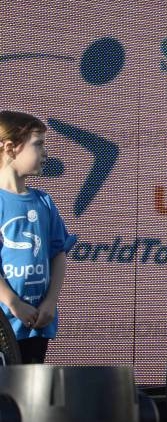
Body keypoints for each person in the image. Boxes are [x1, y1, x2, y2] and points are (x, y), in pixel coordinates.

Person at [0, 111, 76, 363]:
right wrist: (13, 303)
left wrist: (50, 302)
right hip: (4, 324)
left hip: (36, 323)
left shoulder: (44, 202)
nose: (45, 153)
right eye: (38, 144)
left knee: (29, 395)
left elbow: (58, 253)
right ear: (11, 148)